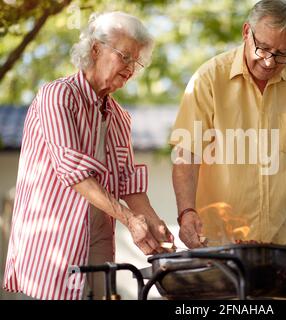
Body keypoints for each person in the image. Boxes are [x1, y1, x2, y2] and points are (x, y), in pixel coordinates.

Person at [3, 11, 174, 300]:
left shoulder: (120, 117)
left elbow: (129, 184)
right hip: (53, 245)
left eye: (137, 61)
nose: (131, 68)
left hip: (98, 243)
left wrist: (155, 224)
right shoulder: (57, 96)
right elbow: (75, 174)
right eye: (125, 56)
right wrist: (131, 220)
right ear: (96, 49)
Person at [170, 0, 286, 249]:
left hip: (280, 242)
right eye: (263, 48)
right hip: (217, 243)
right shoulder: (208, 79)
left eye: (282, 53)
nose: (270, 62)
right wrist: (186, 212)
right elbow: (186, 154)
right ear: (246, 33)